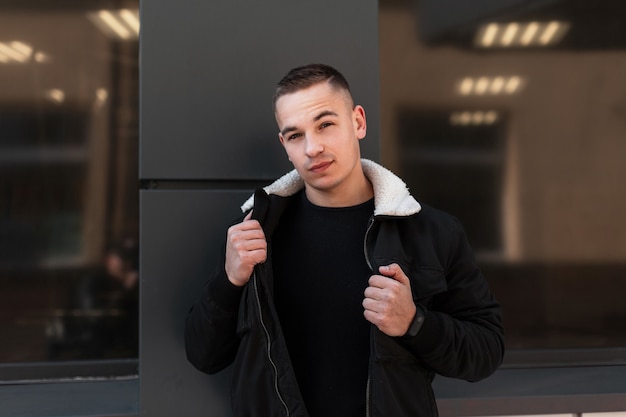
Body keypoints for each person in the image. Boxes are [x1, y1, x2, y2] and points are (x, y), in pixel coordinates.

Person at [185, 64, 504, 417]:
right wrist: (229, 281)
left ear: (358, 122)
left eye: (325, 124)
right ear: (284, 145)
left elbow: (486, 351)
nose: (312, 148)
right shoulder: (255, 231)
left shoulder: (430, 231)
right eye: (295, 135)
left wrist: (414, 323)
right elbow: (204, 355)